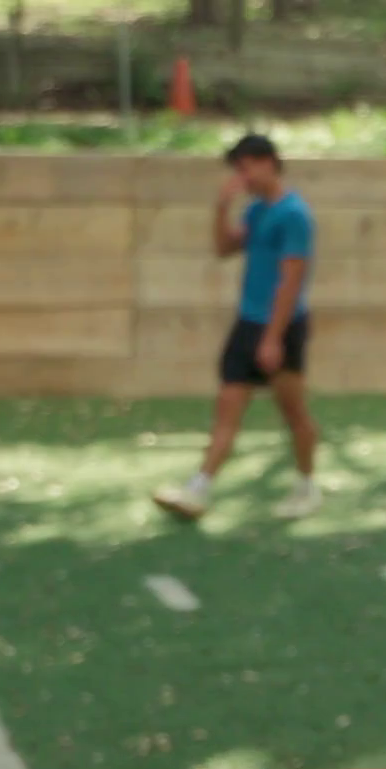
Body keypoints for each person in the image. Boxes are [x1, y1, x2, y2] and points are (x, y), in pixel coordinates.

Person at [153, 133, 322, 521]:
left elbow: (291, 281)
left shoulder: (294, 215)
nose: (241, 177)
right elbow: (224, 248)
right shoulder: (257, 210)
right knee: (227, 406)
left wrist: (273, 338)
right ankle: (198, 489)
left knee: (294, 413)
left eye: (245, 168)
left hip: (281, 328)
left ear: (268, 163)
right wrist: (221, 208)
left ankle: (307, 486)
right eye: (237, 170)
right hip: (247, 324)